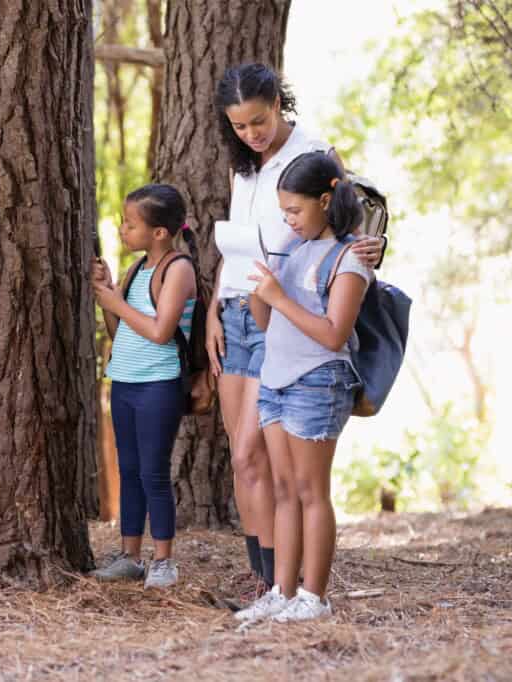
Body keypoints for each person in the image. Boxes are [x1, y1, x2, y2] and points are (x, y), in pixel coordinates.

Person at [208, 64, 383, 600]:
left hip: (285, 315)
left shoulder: (313, 151)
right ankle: (267, 582)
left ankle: (284, 585)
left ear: (278, 104)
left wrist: (369, 248)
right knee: (242, 459)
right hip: (238, 309)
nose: (251, 134)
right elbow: (237, 241)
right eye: (239, 127)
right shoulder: (244, 167)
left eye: (258, 121)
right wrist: (215, 306)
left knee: (261, 455)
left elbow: (349, 224)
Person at [236, 151, 371, 622]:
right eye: (284, 212)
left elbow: (334, 333)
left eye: (295, 210)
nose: (289, 220)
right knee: (284, 489)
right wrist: (260, 293)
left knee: (312, 491)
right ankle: (282, 590)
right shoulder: (293, 250)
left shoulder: (349, 257)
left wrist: (277, 296)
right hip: (274, 379)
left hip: (317, 382)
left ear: (325, 200)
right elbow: (266, 320)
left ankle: (314, 596)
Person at [89, 184, 198, 590]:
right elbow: (122, 332)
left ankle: (164, 560)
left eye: (130, 224)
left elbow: (159, 330)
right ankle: (130, 555)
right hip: (126, 381)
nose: (122, 229)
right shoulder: (137, 270)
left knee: (154, 471)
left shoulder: (178, 269)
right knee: (130, 469)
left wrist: (115, 303)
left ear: (160, 232)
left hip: (158, 384)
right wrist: (109, 295)